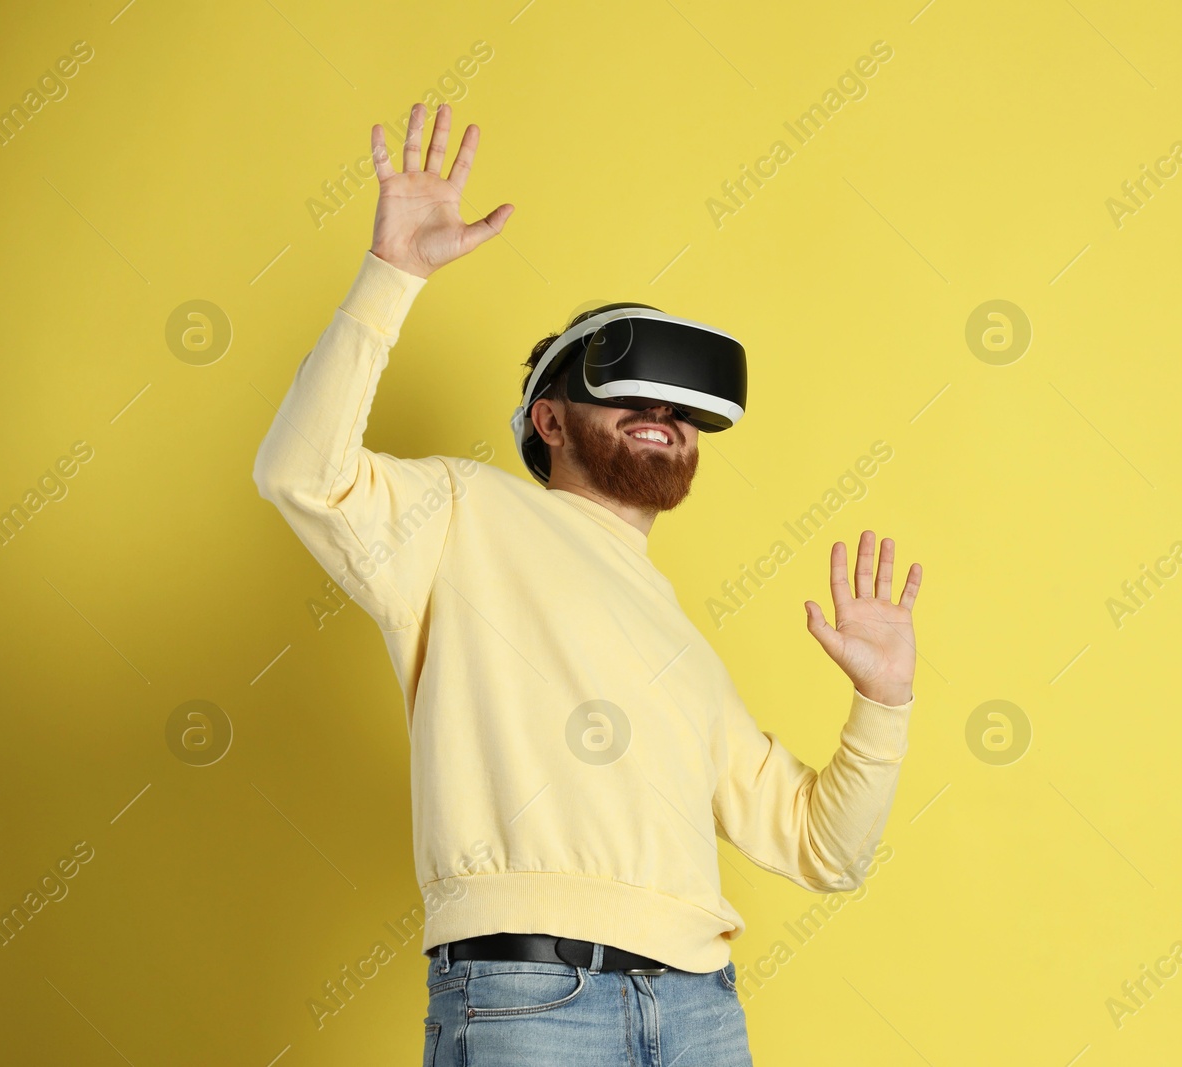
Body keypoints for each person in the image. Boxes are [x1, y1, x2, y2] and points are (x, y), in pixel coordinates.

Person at [252, 101, 924, 1067]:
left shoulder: (683, 643)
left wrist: (883, 702)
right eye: (629, 389)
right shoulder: (461, 511)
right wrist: (391, 276)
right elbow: (299, 473)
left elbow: (825, 849)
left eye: (686, 407)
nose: (665, 413)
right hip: (532, 997)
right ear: (549, 419)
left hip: (700, 1006)